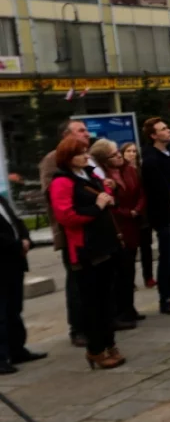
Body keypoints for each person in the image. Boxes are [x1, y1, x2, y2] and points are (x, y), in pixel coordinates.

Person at [48, 137, 125, 370]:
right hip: (85, 250)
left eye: (85, 152)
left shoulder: (89, 174)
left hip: (105, 243)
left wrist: (108, 193)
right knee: (92, 303)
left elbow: (105, 196)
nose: (85, 156)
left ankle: (109, 343)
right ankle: (96, 349)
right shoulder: (62, 181)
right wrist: (97, 206)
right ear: (67, 158)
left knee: (107, 300)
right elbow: (66, 217)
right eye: (79, 154)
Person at [39, 120, 92, 346]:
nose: (87, 134)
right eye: (81, 130)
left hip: (93, 229)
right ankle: (78, 328)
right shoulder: (54, 160)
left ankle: (97, 321)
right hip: (71, 231)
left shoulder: (86, 157)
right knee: (76, 282)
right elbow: (53, 195)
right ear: (66, 136)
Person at [91, 139, 145, 327]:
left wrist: (137, 209)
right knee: (120, 271)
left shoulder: (129, 170)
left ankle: (130, 307)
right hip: (117, 225)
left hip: (132, 223)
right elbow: (109, 203)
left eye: (118, 152)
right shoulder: (101, 178)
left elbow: (140, 192)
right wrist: (126, 212)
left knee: (130, 268)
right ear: (103, 160)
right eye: (114, 155)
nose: (119, 156)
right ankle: (120, 311)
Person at [0, 194, 47, 374]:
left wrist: (26, 239)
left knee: (14, 308)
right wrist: (17, 244)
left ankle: (17, 349)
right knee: (1, 313)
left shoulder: (2, 199)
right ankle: (1, 357)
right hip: (3, 261)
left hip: (14, 263)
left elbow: (16, 222)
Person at [141, 117, 170, 314]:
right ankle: (165, 296)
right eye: (162, 129)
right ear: (153, 135)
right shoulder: (151, 160)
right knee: (168, 258)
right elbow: (160, 191)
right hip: (164, 215)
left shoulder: (169, 155)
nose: (168, 131)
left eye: (167, 127)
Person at [121, 143, 155, 290]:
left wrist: (139, 208)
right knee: (130, 251)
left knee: (146, 248)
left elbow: (144, 192)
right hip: (128, 216)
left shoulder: (140, 170)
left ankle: (148, 277)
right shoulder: (120, 172)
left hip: (143, 215)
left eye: (134, 151)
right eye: (128, 151)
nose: (132, 154)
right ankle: (130, 280)